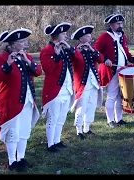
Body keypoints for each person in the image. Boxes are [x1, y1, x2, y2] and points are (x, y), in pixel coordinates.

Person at [0, 28, 43, 172]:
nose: (26, 43)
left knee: (24, 131)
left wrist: (27, 60)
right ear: (12, 45)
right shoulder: (2, 58)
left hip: (27, 100)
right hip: (11, 102)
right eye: (22, 41)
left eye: (26, 40)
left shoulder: (28, 57)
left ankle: (21, 158)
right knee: (13, 132)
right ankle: (12, 161)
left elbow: (38, 72)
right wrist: (7, 64)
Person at [94, 13, 134, 128]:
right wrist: (104, 59)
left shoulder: (122, 36)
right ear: (111, 25)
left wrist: (133, 59)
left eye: (121, 23)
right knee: (112, 96)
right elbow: (95, 52)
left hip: (123, 71)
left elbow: (125, 52)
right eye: (117, 23)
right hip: (111, 71)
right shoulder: (105, 36)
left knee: (121, 96)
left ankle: (119, 119)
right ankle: (110, 121)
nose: (120, 25)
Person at [40, 22, 75, 152]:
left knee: (62, 117)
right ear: (56, 36)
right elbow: (47, 68)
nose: (66, 36)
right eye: (63, 34)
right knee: (53, 118)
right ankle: (50, 144)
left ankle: (57, 140)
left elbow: (76, 58)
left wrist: (69, 48)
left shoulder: (66, 48)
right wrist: (56, 54)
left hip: (67, 88)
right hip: (55, 89)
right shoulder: (46, 50)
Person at [70, 25, 105, 140]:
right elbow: (76, 60)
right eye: (87, 36)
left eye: (89, 35)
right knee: (81, 106)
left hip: (94, 82)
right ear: (81, 38)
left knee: (91, 105)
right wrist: (78, 50)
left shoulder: (92, 48)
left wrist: (91, 49)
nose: (90, 37)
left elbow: (101, 59)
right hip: (82, 84)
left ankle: (87, 128)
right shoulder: (75, 50)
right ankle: (79, 130)